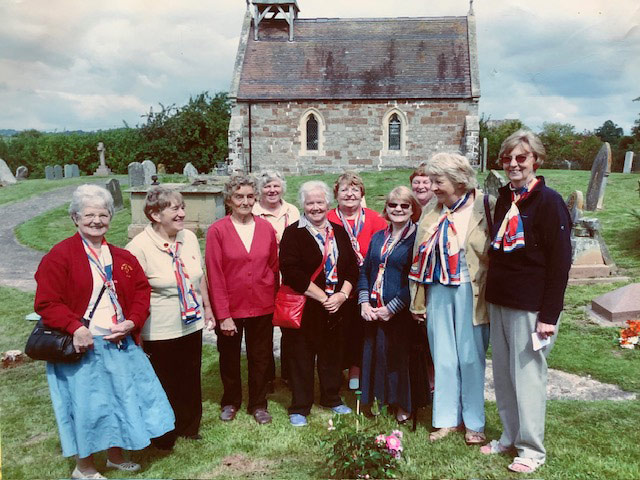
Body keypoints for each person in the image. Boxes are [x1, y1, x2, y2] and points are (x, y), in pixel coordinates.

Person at [34, 184, 174, 480]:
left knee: (120, 398)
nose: (96, 220)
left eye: (103, 214)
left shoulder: (121, 257)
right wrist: (75, 327)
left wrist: (132, 321)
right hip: (83, 348)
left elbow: (140, 290)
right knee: (88, 407)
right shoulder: (60, 255)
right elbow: (46, 302)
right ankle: (84, 467)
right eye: (89, 215)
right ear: (75, 218)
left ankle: (115, 455)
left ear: (111, 216)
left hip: (118, 342)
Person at [481, 130, 571, 474]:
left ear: (536, 160)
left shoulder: (548, 202)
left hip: (532, 307)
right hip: (502, 300)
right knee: (504, 375)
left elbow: (561, 262)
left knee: (528, 377)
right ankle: (509, 435)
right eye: (508, 159)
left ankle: (532, 449)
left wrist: (549, 315)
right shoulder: (506, 198)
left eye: (521, 158)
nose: (513, 164)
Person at [409, 153, 494, 444]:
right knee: (443, 357)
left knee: (470, 357)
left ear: (459, 180)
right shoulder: (432, 212)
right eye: (431, 181)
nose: (432, 187)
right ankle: (446, 420)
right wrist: (417, 302)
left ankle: (474, 422)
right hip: (438, 290)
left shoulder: (486, 206)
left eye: (438, 181)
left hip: (473, 291)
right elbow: (417, 261)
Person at [126, 186, 214, 450]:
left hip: (191, 322)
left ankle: (189, 426)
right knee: (164, 382)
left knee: (190, 376)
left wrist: (207, 307)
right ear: (155, 214)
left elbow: (199, 277)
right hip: (160, 328)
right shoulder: (138, 247)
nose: (182, 213)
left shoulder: (187, 237)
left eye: (182, 207)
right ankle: (164, 432)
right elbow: (132, 294)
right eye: (174, 208)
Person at [279, 180, 359, 427]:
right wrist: (324, 298)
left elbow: (352, 268)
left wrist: (342, 296)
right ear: (303, 205)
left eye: (319, 202)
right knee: (301, 357)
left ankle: (331, 398)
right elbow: (292, 272)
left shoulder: (338, 231)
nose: (315, 207)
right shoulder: (294, 232)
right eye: (310, 203)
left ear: (328, 204)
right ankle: (300, 406)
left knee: (332, 355)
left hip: (336, 305)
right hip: (307, 306)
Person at [205, 175, 279, 425]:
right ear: (229, 200)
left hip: (262, 304)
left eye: (250, 196)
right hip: (231, 307)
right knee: (230, 357)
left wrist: (272, 296)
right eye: (239, 197)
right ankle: (231, 400)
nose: (245, 201)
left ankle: (258, 404)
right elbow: (214, 274)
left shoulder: (266, 228)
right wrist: (223, 315)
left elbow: (272, 265)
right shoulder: (218, 230)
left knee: (260, 357)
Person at [357, 186, 420, 423]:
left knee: (397, 358)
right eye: (393, 205)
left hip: (400, 311)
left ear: (413, 209)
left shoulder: (416, 238)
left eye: (405, 206)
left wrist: (392, 308)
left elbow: (416, 279)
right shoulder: (378, 236)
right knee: (374, 355)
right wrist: (364, 302)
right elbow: (365, 270)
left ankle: (402, 403)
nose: (398, 210)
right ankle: (376, 400)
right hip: (373, 308)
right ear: (386, 208)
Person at [327, 172, 387, 390]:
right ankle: (335, 370)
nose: (349, 194)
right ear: (336, 194)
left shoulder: (375, 219)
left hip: (366, 285)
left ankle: (357, 368)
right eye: (344, 189)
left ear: (362, 193)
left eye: (355, 189)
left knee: (361, 330)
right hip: (336, 286)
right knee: (336, 331)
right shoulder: (327, 218)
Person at [253, 170, 301, 389]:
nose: (272, 191)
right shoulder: (252, 212)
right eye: (266, 187)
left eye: (275, 186)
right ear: (259, 190)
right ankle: (267, 376)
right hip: (263, 276)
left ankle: (290, 373)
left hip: (289, 276)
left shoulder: (293, 211)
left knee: (291, 324)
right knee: (263, 329)